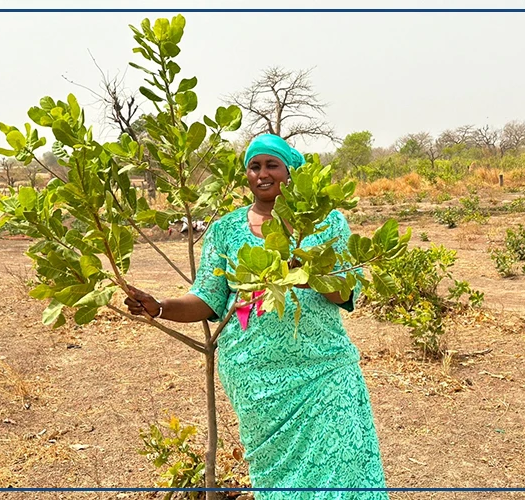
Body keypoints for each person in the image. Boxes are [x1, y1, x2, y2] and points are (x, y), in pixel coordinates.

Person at [123, 134, 389, 499]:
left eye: (271, 165)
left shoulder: (328, 223)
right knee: (279, 482)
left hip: (325, 368)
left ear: (291, 172)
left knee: (344, 466)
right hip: (257, 379)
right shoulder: (225, 231)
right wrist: (160, 308)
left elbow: (344, 292)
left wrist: (306, 270)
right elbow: (207, 298)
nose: (262, 174)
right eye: (254, 166)